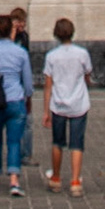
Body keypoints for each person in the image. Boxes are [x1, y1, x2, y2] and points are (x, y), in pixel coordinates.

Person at [0, 13, 33, 196]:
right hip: (16, 100)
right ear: (12, 30)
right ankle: (14, 181)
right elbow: (28, 82)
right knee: (14, 142)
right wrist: (28, 98)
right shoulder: (21, 52)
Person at [41, 18, 91, 198]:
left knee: (58, 142)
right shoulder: (82, 53)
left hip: (58, 104)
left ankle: (55, 178)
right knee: (77, 144)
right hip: (78, 103)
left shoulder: (52, 56)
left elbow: (48, 85)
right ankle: (75, 181)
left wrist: (46, 111)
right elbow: (87, 75)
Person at [10, 7, 34, 167]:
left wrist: (28, 90)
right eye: (19, 21)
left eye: (24, 21)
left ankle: (26, 154)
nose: (22, 25)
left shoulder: (25, 37)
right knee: (1, 119)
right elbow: (8, 49)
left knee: (27, 121)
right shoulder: (5, 38)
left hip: (20, 83)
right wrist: (12, 31)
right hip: (8, 86)